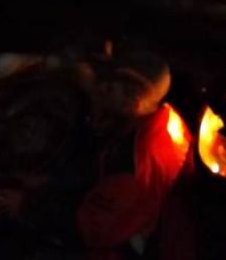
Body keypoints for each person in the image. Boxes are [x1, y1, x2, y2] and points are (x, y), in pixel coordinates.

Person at [76, 50, 196, 260]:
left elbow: (95, 231)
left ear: (133, 100)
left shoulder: (133, 167)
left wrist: (32, 203)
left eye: (110, 87)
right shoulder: (163, 118)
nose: (101, 88)